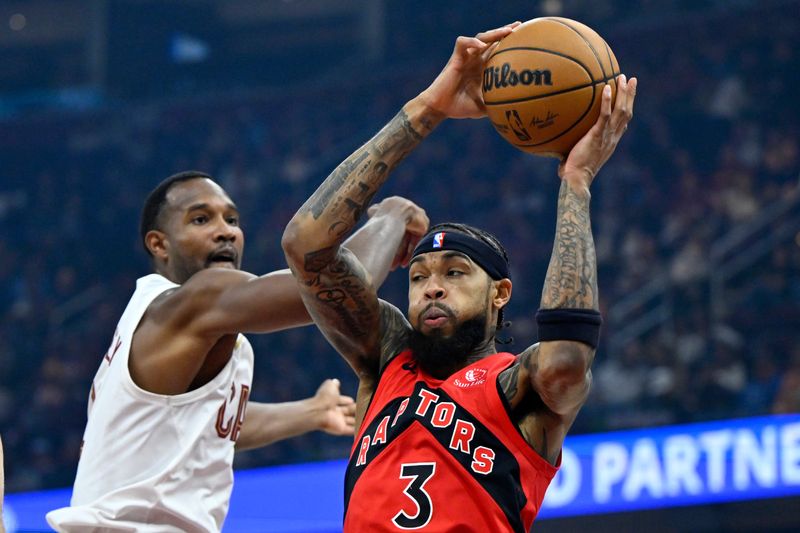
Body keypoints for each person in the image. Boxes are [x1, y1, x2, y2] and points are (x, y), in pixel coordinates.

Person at [282, 23, 637, 531]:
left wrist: (575, 185)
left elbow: (567, 357)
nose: (432, 285)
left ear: (500, 294)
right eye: (419, 275)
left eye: (454, 272)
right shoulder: (386, 360)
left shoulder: (518, 386)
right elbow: (305, 246)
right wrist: (430, 108)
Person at [46, 171, 429, 532]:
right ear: (159, 244)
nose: (225, 232)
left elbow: (212, 425)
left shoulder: (171, 329)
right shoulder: (191, 300)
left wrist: (309, 412)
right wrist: (392, 216)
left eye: (232, 219)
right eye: (201, 220)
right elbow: (335, 290)